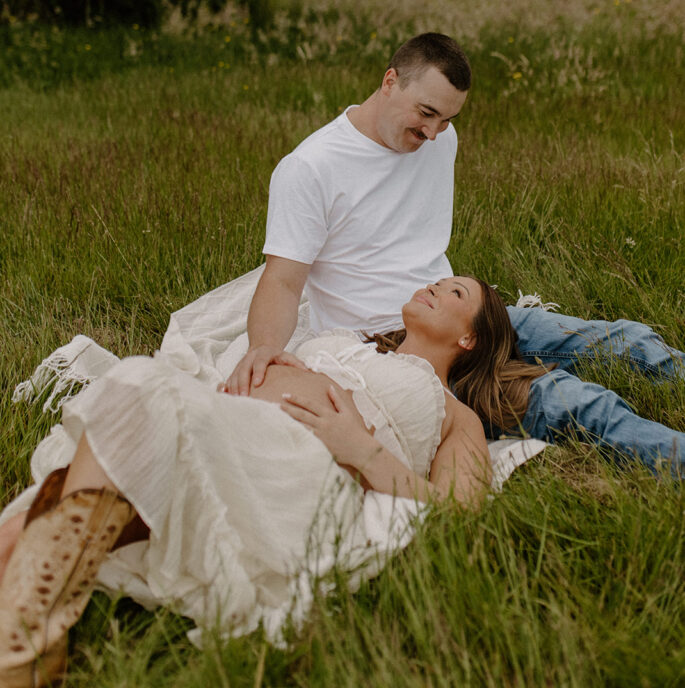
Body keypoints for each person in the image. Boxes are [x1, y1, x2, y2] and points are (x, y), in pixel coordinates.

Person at [0, 276, 502, 686]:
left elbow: (459, 512)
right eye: (439, 280)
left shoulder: (458, 418)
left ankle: (28, 626)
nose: (437, 285)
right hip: (227, 426)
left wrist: (361, 448)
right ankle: (27, 642)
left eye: (456, 292)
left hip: (303, 465)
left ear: (469, 338)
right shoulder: (347, 341)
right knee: (132, 391)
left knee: (136, 386)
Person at [227, 32, 685, 474]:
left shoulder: (441, 140)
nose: (433, 133)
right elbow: (283, 282)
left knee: (629, 341)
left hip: (460, 312)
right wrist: (265, 348)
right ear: (390, 81)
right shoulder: (310, 168)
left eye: (447, 119)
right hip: (398, 348)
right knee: (581, 403)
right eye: (426, 113)